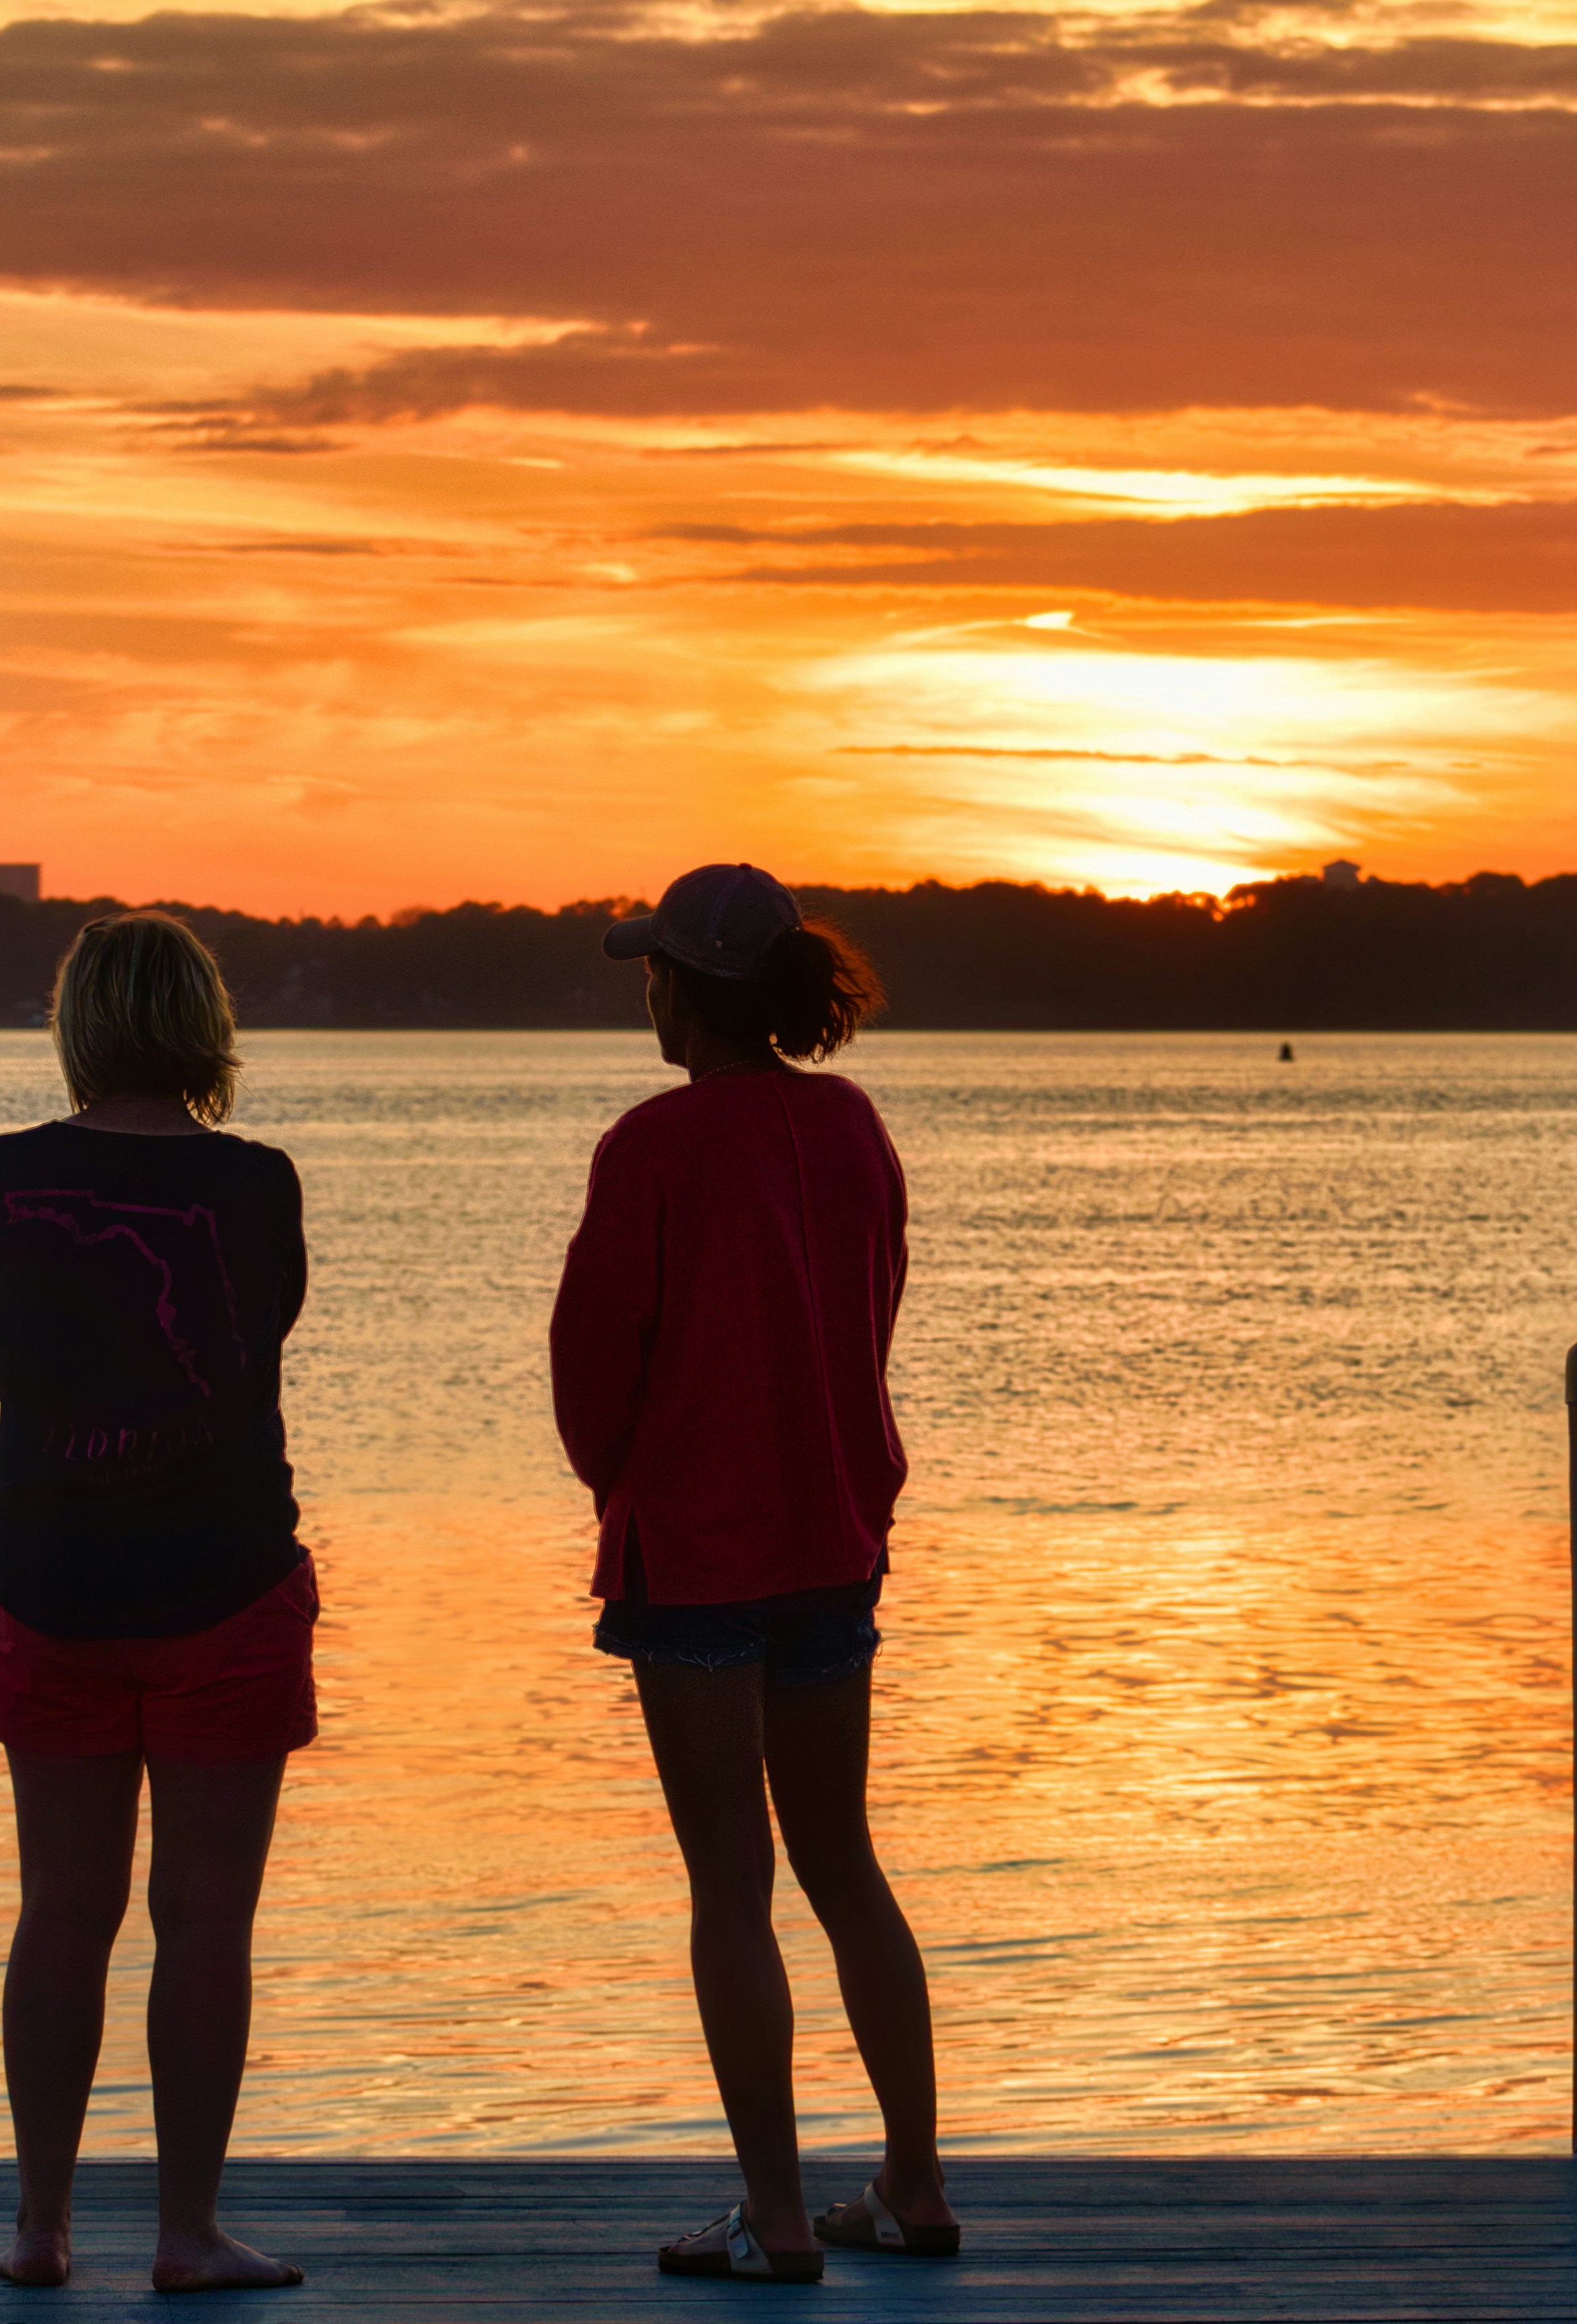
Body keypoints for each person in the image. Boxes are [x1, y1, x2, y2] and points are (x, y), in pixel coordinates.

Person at [548, 863, 961, 2284]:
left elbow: (588, 1376)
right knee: (841, 1862)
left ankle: (775, 2218)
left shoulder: (651, 1147)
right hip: (831, 1541)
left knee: (730, 1882)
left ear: (688, 988)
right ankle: (909, 2186)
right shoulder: (852, 1126)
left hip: (701, 1557)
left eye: (653, 971)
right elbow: (876, 1304)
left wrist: (624, 1477)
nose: (644, 993)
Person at [0, 911, 313, 2296]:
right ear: (203, 1026)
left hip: (53, 1580)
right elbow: (256, 1336)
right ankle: (185, 2234)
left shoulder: (4, 1171)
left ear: (76, 1025)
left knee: (60, 1909)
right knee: (205, 1916)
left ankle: (39, 2227)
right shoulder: (258, 1181)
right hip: (224, 1579)